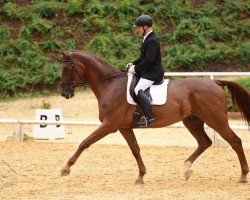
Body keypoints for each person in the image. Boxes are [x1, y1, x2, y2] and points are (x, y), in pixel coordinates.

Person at [126, 14, 164, 126]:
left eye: (139, 27)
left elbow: (148, 61)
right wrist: (133, 63)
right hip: (148, 70)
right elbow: (142, 57)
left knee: (138, 89)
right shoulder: (146, 38)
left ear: (146, 27)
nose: (137, 29)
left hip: (153, 73)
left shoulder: (152, 40)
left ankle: (149, 117)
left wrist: (135, 69)